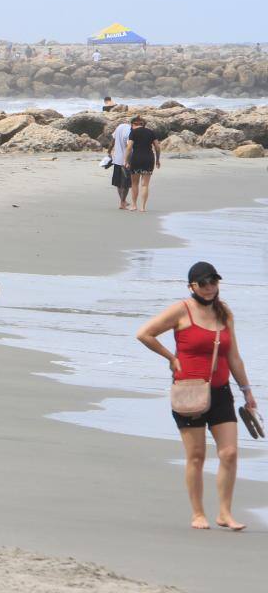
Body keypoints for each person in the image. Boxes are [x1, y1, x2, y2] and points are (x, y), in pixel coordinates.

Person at [136, 261, 256, 531]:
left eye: (214, 282)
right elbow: (144, 333)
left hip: (221, 392)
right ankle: (198, 514)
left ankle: (225, 513)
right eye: (204, 283)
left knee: (229, 453)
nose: (210, 287)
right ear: (192, 286)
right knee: (197, 456)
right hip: (189, 392)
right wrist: (171, 357)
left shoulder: (224, 313)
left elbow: (233, 356)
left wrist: (247, 390)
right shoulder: (181, 310)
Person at [124, 114, 161, 212]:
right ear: (143, 124)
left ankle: (134, 205)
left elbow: (129, 147)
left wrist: (126, 161)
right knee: (145, 184)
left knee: (135, 183)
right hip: (149, 159)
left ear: (133, 124)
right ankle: (143, 207)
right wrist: (157, 160)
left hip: (136, 158)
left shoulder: (133, 133)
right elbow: (157, 147)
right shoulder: (151, 132)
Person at [108, 117, 133, 209]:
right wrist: (128, 161)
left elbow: (112, 142)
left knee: (119, 182)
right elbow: (129, 147)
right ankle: (122, 202)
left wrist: (109, 151)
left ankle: (122, 201)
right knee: (126, 183)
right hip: (126, 160)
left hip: (117, 159)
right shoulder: (129, 131)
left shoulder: (119, 128)